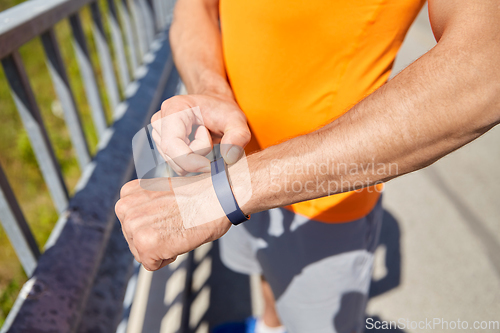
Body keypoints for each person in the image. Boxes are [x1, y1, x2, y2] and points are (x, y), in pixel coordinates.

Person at [115, 0, 500, 332]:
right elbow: (193, 7)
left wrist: (226, 193)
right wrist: (210, 89)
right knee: (264, 271)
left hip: (324, 199)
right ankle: (269, 326)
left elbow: (487, 59)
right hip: (233, 164)